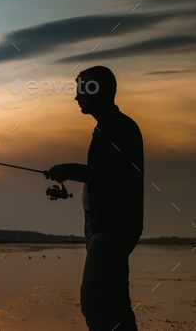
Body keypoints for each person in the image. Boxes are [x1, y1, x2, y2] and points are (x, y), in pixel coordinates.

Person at [45, 66, 143, 331]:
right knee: (116, 302)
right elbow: (105, 176)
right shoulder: (107, 128)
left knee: (95, 301)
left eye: (81, 91)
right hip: (101, 225)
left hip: (112, 227)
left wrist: (71, 170)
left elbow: (112, 175)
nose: (76, 98)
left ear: (96, 91)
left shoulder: (119, 128)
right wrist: (73, 174)